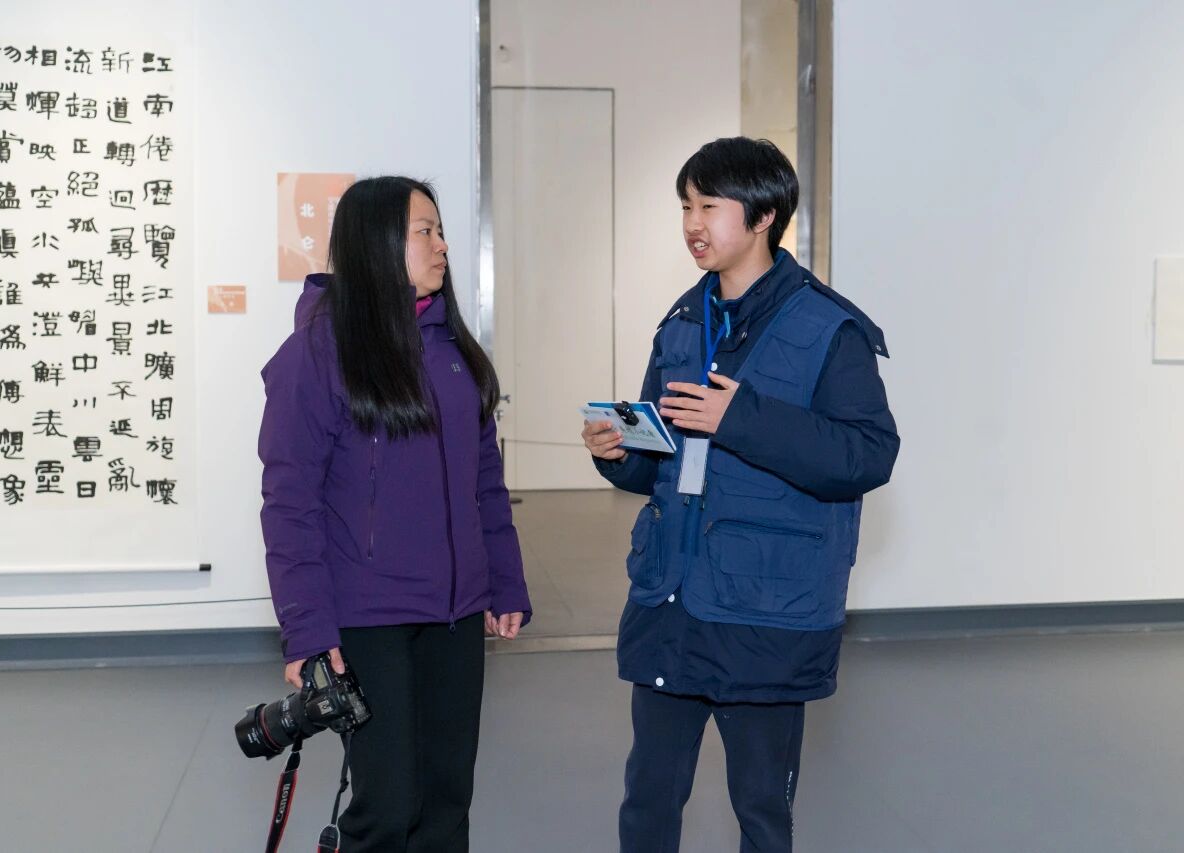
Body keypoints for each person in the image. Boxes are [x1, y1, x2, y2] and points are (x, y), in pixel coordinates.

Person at [580, 137, 900, 852]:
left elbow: (868, 454)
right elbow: (664, 464)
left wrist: (742, 418)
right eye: (685, 207)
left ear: (763, 214)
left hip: (766, 612)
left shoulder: (829, 329)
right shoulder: (683, 322)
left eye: (709, 206)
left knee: (760, 810)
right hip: (672, 599)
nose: (692, 224)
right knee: (648, 799)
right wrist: (619, 455)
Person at [259, 175, 531, 852]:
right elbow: (290, 504)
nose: (442, 246)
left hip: (455, 614)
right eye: (425, 231)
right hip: (367, 617)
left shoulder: (454, 353)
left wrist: (504, 581)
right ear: (378, 242)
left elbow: (485, 483)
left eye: (441, 231)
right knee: (387, 805)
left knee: (446, 799)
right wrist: (306, 630)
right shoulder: (316, 354)